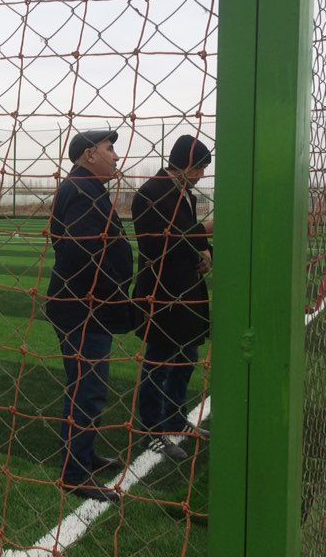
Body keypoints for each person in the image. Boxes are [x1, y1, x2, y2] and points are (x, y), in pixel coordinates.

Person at [46, 129, 134, 502]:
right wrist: (116, 295)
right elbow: (83, 256)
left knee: (85, 387)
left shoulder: (84, 187)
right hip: (83, 308)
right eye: (109, 148)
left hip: (82, 304)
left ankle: (85, 455)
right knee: (89, 389)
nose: (116, 156)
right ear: (88, 154)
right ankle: (76, 474)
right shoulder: (82, 190)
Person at [131, 135, 213, 460]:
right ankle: (150, 431)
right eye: (200, 168)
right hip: (161, 294)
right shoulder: (149, 194)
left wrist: (205, 254)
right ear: (185, 165)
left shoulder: (185, 194)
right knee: (158, 363)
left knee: (186, 359)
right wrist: (204, 232)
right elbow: (157, 246)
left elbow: (185, 242)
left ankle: (177, 420)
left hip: (187, 291)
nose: (202, 175)